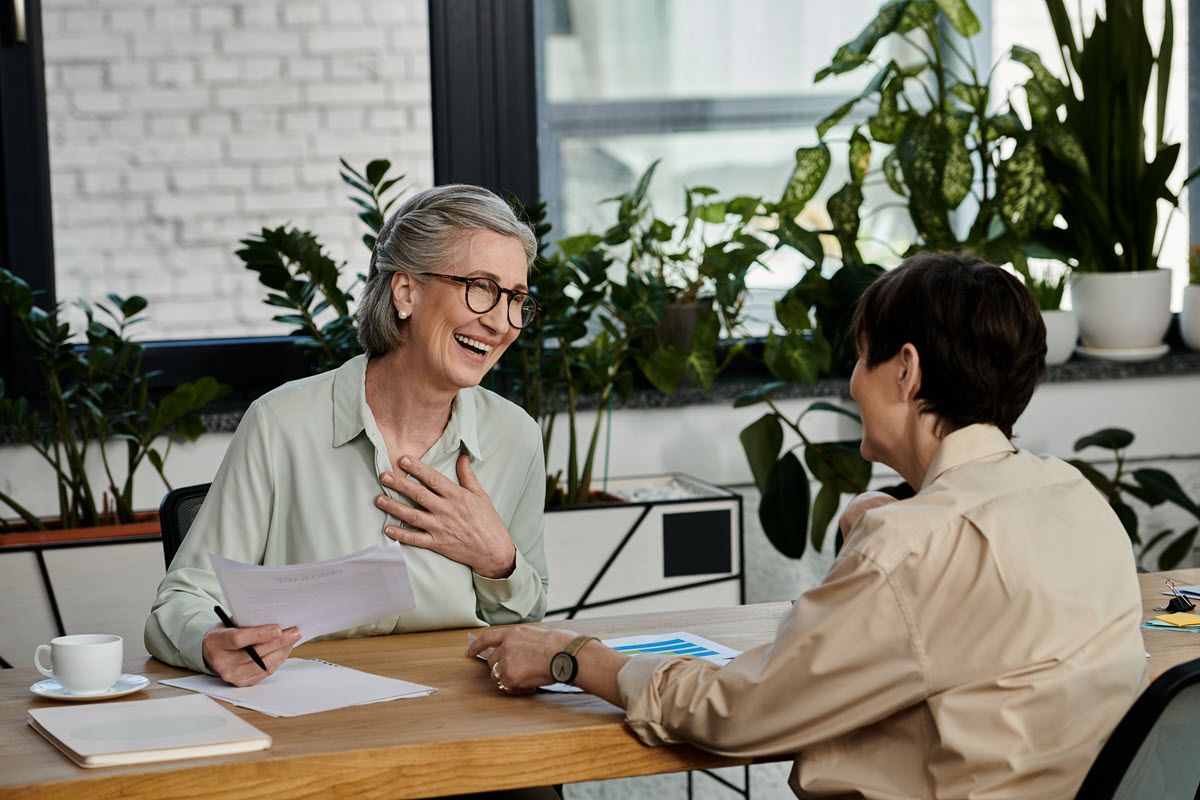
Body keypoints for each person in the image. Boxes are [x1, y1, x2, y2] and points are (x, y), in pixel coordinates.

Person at [468, 252, 1149, 799]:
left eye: (860, 357)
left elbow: (739, 713)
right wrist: (899, 526)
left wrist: (573, 657)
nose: (852, 382)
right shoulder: (1075, 498)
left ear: (906, 371)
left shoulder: (911, 549)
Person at [147, 184, 550, 688]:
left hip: (460, 712)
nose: (501, 322)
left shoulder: (516, 437)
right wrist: (210, 641)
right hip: (307, 717)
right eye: (482, 288)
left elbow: (526, 625)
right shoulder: (281, 423)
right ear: (406, 292)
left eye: (516, 298)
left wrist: (499, 562)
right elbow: (181, 601)